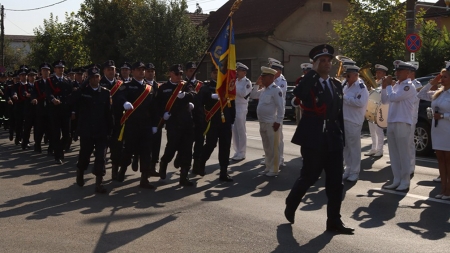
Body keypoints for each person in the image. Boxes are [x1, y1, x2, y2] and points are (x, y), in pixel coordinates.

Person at [284, 44, 354, 234]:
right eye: (321, 61)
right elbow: (299, 94)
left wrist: (342, 139)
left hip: (333, 139)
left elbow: (338, 114)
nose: (326, 64)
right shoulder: (309, 81)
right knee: (310, 176)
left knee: (335, 182)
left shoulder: (336, 84)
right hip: (313, 138)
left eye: (328, 61)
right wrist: (312, 73)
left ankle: (334, 221)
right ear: (314, 64)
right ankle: (291, 202)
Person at [113, 61, 157, 189]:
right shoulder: (126, 86)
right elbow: (119, 97)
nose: (142, 72)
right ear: (132, 71)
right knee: (128, 150)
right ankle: (122, 170)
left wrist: (154, 124)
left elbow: (153, 108)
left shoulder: (149, 88)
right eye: (138, 69)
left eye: (143, 69)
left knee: (146, 151)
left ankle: (144, 179)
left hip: (146, 125)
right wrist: (124, 102)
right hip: (132, 124)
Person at [70, 66, 113, 193]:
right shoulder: (83, 92)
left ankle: (99, 183)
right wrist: (82, 86)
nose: (95, 79)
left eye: (97, 76)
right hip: (87, 130)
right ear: (88, 78)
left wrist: (110, 130)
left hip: (101, 131)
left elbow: (109, 113)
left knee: (101, 157)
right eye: (92, 77)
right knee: (85, 155)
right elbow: (71, 100)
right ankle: (80, 172)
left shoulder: (105, 93)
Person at [193, 66, 235, 182]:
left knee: (225, 146)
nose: (217, 75)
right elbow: (199, 102)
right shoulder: (206, 87)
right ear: (211, 74)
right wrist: (209, 96)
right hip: (212, 121)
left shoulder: (228, 87)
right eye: (214, 72)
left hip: (225, 121)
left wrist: (232, 121)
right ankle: (201, 162)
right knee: (211, 144)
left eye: (219, 72)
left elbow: (233, 104)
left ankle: (223, 171)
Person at [156, 64, 196, 186]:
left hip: (187, 122)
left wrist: (187, 96)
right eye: (177, 74)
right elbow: (158, 104)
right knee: (171, 148)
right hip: (173, 123)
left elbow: (194, 95)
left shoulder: (186, 85)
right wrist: (163, 115)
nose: (180, 76)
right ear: (171, 74)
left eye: (181, 74)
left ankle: (184, 177)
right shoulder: (164, 88)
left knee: (187, 150)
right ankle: (164, 163)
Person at [381, 60, 417, 191]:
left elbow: (394, 98)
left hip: (403, 121)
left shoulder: (409, 86)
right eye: (396, 71)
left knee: (403, 153)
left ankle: (405, 180)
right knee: (394, 153)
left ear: (408, 73)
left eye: (400, 71)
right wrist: (384, 87)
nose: (397, 73)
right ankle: (396, 179)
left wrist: (389, 86)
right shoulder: (395, 85)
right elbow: (385, 100)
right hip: (392, 121)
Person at [417, 63, 450, 199]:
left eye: (445, 77)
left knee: (448, 161)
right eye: (441, 77)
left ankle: (449, 190)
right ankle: (443, 189)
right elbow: (421, 94)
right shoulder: (438, 93)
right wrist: (433, 82)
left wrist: (443, 116)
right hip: (437, 130)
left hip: (447, 130)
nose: (442, 79)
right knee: (441, 161)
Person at [254, 66, 284, 176]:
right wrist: (257, 84)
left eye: (264, 77)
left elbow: (281, 107)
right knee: (266, 147)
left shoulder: (276, 90)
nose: (261, 79)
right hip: (262, 123)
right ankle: (268, 166)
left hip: (272, 123)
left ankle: (274, 169)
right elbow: (253, 95)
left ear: (271, 77)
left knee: (274, 147)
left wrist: (278, 122)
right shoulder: (264, 90)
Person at [341, 65, 369, 182]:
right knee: (346, 147)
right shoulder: (345, 85)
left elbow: (360, 103)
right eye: (346, 75)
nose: (346, 77)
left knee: (354, 148)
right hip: (344, 119)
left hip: (354, 121)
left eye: (348, 75)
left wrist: (345, 98)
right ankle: (347, 169)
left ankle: (355, 172)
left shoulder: (361, 88)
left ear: (356, 75)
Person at [45, 60, 73, 164]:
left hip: (65, 111)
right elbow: (48, 93)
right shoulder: (50, 81)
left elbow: (71, 95)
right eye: (59, 68)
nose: (61, 69)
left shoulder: (67, 80)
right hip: (55, 111)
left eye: (62, 68)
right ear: (55, 69)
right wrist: (53, 100)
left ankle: (59, 149)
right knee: (56, 134)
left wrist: (72, 110)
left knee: (67, 135)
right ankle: (58, 156)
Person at [364, 64, 387, 157]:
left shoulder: (385, 83)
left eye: (379, 72)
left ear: (384, 73)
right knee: (372, 131)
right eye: (376, 72)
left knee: (379, 130)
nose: (377, 74)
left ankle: (380, 150)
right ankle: (373, 148)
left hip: (380, 109)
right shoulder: (374, 82)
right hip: (371, 108)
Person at [231, 62, 252, 161]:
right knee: (234, 130)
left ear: (244, 72)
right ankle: (237, 151)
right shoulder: (235, 81)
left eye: (238, 71)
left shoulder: (247, 82)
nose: (237, 72)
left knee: (241, 129)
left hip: (241, 107)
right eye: (237, 71)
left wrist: (233, 89)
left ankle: (242, 152)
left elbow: (243, 93)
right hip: (234, 105)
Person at [268, 59, 287, 166]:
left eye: (273, 70)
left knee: (278, 137)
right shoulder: (271, 80)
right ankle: (271, 157)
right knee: (270, 137)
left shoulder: (282, 81)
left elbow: (277, 93)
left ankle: (280, 159)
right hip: (270, 112)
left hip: (277, 112)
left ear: (278, 71)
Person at [31, 63, 52, 153]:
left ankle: (51, 148)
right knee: (39, 128)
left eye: (47, 70)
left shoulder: (52, 81)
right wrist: (34, 99)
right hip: (40, 108)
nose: (45, 72)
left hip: (50, 108)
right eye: (44, 70)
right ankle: (37, 145)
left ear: (50, 72)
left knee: (51, 129)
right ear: (41, 72)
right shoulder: (37, 83)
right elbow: (34, 93)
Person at [406, 62, 422, 176]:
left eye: (409, 72)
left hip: (411, 117)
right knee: (401, 143)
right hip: (402, 117)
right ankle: (403, 165)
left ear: (413, 73)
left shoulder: (417, 85)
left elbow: (414, 100)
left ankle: (411, 166)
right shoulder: (402, 84)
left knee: (409, 143)